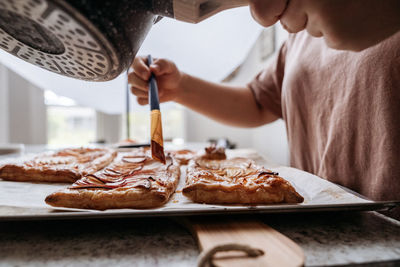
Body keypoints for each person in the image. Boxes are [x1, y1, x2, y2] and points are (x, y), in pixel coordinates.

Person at [128, 0, 400, 219]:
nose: (262, 15)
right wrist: (179, 88)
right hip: (315, 218)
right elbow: (258, 102)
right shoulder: (298, 36)